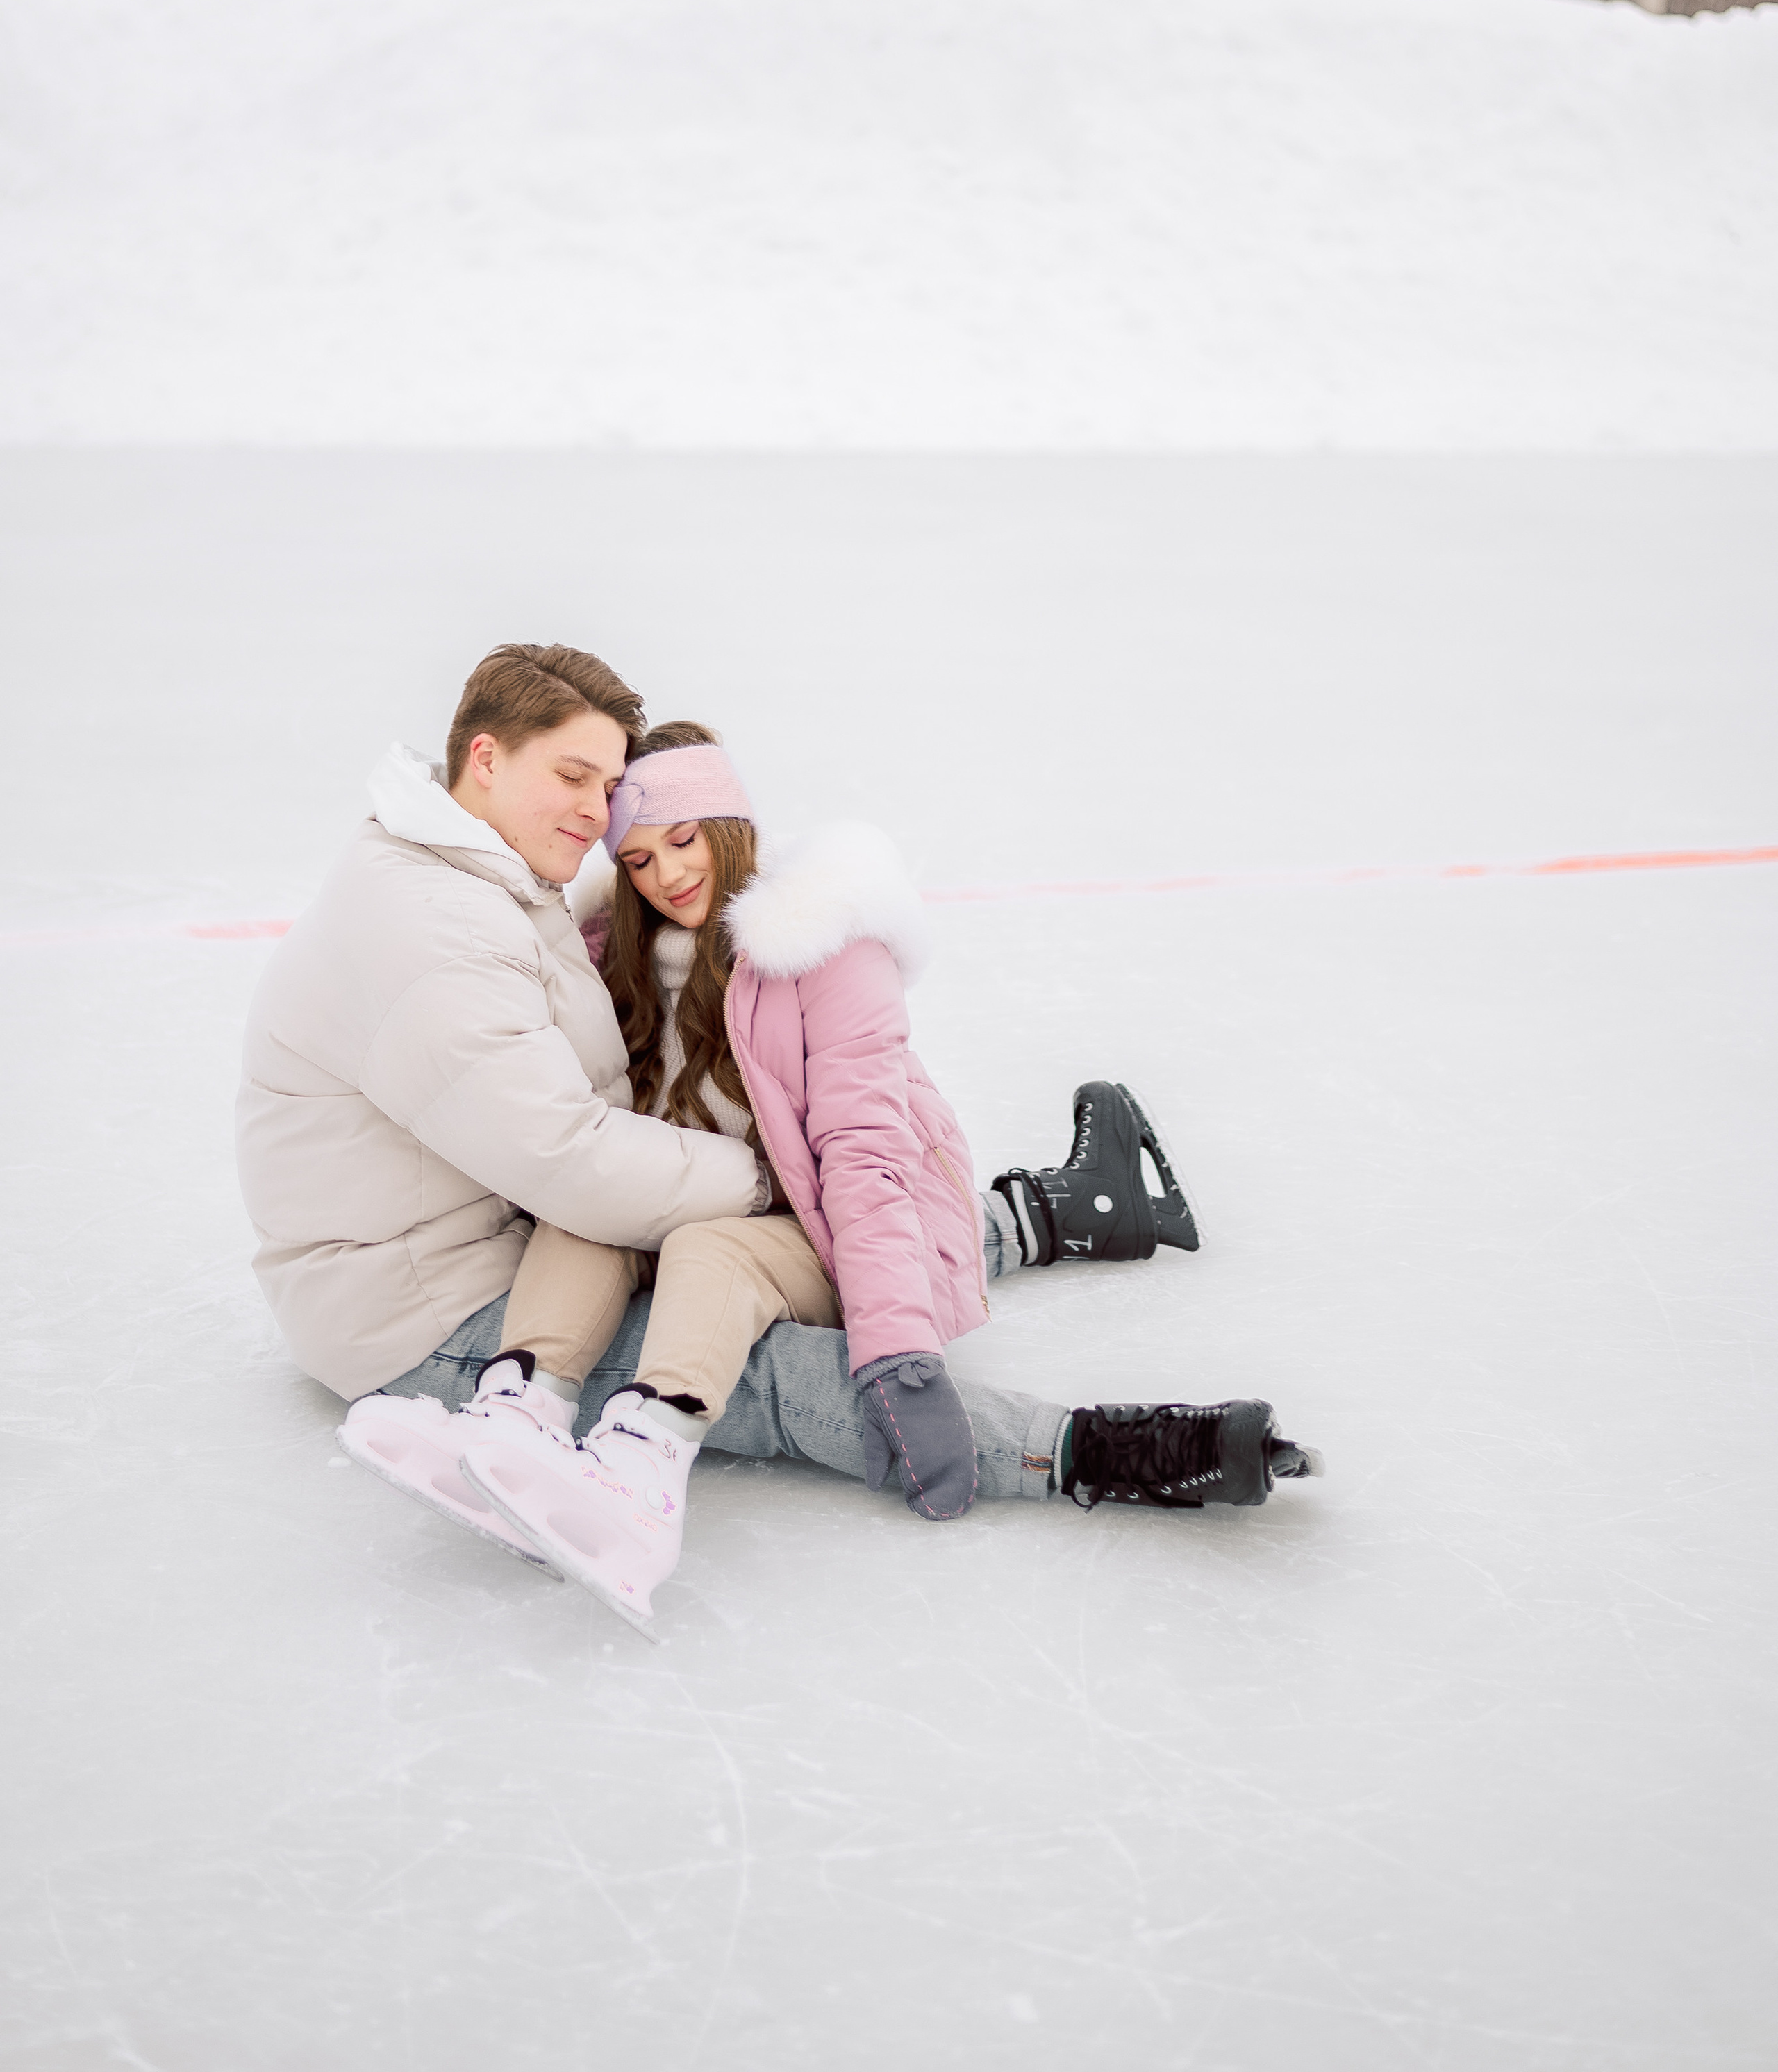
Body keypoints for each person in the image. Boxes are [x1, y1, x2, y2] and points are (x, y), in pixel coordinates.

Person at [240, 644, 1318, 1633]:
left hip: (705, 1211)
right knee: (741, 1319)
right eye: (583, 787)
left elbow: (856, 1166)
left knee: (777, 1275)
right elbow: (576, 1159)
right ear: (486, 758)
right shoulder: (503, 925)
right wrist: (757, 1186)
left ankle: (1082, 1405)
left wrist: (859, 1300)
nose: (639, 850)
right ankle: (1054, 1291)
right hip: (436, 1294)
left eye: (616, 795)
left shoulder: (575, 903)